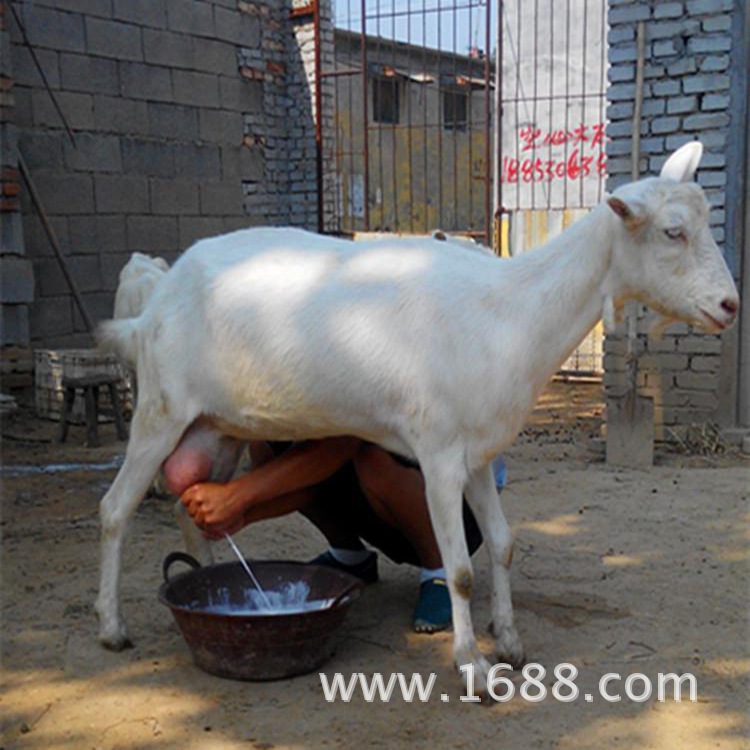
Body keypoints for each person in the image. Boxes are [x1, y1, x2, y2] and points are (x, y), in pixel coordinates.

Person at [177, 436, 506, 632]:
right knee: (270, 444)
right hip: (377, 490)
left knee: (371, 454)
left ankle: (440, 569)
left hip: (459, 508)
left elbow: (342, 445)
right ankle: (349, 555)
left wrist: (236, 497)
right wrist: (241, 516)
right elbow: (310, 472)